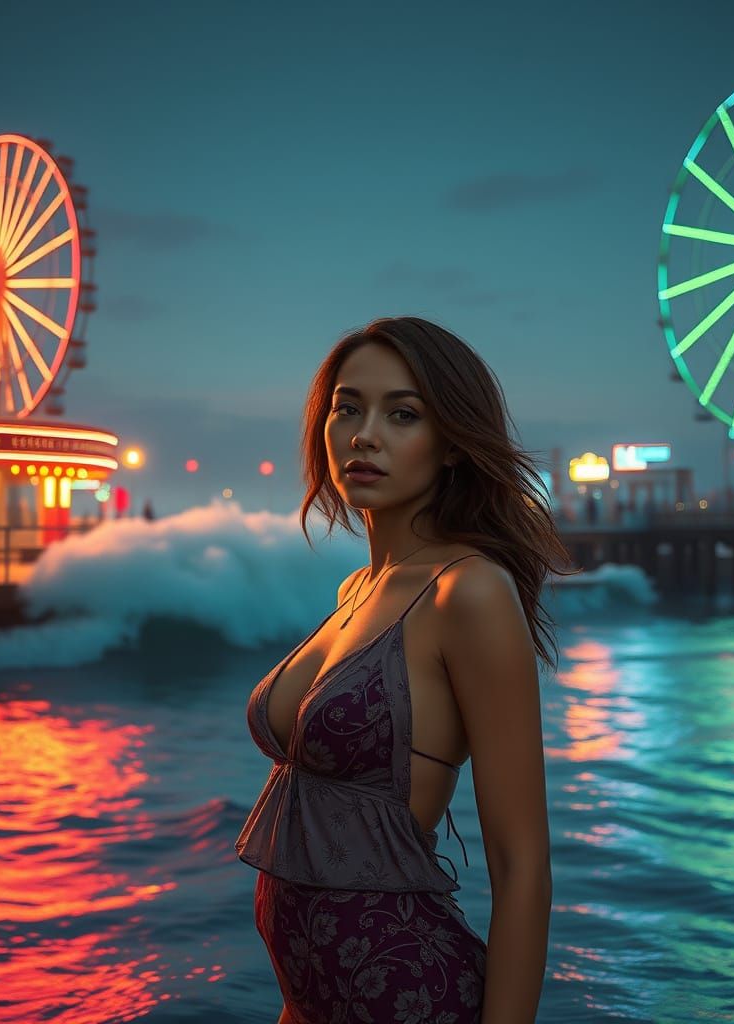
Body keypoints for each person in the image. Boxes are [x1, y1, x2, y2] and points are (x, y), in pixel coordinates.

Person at [235, 316, 574, 1023]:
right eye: (348, 407)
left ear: (451, 444)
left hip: (411, 1000)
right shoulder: (353, 594)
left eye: (403, 414)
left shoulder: (468, 591)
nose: (365, 434)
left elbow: (522, 867)